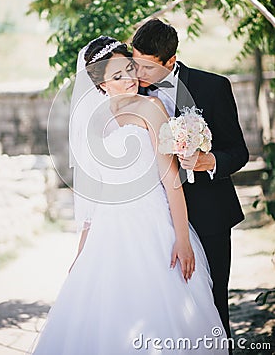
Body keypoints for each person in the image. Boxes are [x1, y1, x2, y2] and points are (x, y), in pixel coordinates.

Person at [30, 36, 229, 355]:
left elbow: (171, 181)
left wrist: (182, 237)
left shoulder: (150, 107)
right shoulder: (91, 125)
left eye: (130, 69)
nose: (129, 79)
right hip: (108, 233)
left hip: (154, 225)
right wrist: (81, 254)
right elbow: (94, 199)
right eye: (117, 76)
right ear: (101, 84)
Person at [132, 19, 249, 342]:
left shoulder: (213, 87)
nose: (138, 74)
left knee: (213, 301)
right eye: (134, 62)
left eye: (146, 67)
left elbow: (238, 152)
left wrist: (207, 161)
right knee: (161, 306)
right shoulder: (130, 92)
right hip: (157, 218)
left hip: (209, 212)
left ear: (170, 61)